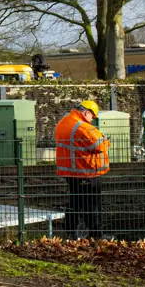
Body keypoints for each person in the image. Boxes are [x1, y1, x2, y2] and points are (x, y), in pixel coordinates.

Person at [54, 99, 110, 238]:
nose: (92, 120)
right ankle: (96, 236)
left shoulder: (64, 121)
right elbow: (100, 146)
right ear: (86, 113)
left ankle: (70, 233)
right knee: (91, 206)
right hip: (86, 173)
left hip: (70, 172)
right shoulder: (83, 127)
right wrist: (106, 139)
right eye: (92, 116)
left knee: (75, 203)